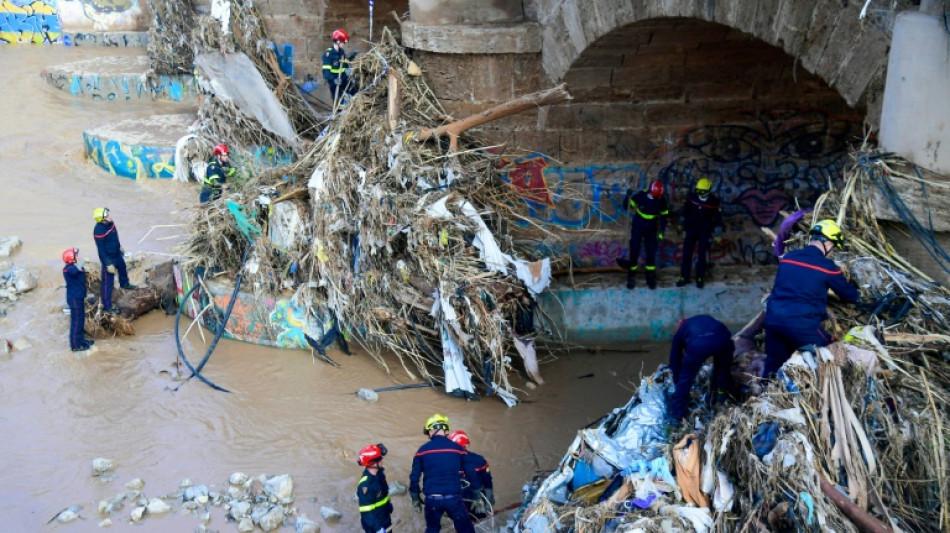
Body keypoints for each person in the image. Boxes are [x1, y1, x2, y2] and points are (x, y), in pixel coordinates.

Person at [762, 220, 860, 378]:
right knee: (831, 350)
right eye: (834, 247)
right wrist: (859, 295)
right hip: (802, 325)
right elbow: (849, 295)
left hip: (773, 320)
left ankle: (765, 389)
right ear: (828, 244)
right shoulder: (826, 266)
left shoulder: (788, 258)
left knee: (773, 364)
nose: (831, 251)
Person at [409, 414, 484, 533]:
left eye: (428, 432)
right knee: (465, 529)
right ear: (445, 430)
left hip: (432, 500)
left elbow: (414, 478)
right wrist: (477, 496)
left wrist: (415, 499)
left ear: (432, 430)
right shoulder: (458, 449)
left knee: (432, 529)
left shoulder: (421, 451)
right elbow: (471, 474)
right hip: (454, 500)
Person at [668, 314, 735, 422]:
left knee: (685, 380)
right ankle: (721, 398)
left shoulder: (679, 332)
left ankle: (677, 417)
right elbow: (725, 331)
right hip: (723, 339)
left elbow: (675, 361)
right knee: (723, 369)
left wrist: (677, 382)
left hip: (698, 345)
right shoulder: (703, 319)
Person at [617, 180, 669, 289]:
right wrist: (627, 197)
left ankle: (650, 277)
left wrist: (662, 231)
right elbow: (627, 206)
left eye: (658, 196)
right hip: (638, 226)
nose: (657, 198)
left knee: (651, 252)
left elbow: (664, 216)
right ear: (651, 192)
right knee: (634, 251)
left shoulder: (661, 200)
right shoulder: (641, 196)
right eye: (655, 196)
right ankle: (631, 277)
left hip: (651, 228)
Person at [676, 177, 723, 289]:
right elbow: (684, 212)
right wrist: (680, 224)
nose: (700, 194)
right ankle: (684, 277)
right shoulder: (692, 198)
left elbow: (718, 220)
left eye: (702, 192)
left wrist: (718, 234)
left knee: (702, 256)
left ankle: (700, 277)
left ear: (708, 191)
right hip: (691, 229)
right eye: (698, 191)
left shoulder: (713, 202)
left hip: (704, 232)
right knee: (686, 253)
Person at [93, 208, 136, 314]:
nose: (110, 216)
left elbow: (115, 236)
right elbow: (101, 251)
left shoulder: (110, 224)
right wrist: (108, 264)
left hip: (116, 253)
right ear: (102, 219)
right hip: (108, 258)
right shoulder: (98, 231)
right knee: (108, 283)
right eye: (107, 216)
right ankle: (107, 306)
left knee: (123, 268)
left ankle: (125, 284)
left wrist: (119, 246)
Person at [448, 430, 494, 520]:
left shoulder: (478, 461)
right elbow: (488, 481)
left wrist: (488, 500)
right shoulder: (479, 460)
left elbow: (487, 481)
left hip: (475, 497)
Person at [357, 443, 394, 533]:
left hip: (384, 518)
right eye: (380, 458)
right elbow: (366, 512)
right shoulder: (366, 485)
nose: (382, 459)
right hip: (374, 526)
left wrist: (388, 506)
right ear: (372, 463)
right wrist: (378, 529)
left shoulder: (379, 474)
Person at [62, 248, 94, 352]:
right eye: (77, 255)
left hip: (78, 297)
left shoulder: (74, 267)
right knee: (76, 321)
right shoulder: (68, 269)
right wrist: (82, 261)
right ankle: (75, 345)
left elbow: (79, 271)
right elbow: (74, 271)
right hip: (74, 298)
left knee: (80, 320)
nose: (79, 256)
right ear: (72, 258)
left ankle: (81, 340)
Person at [322, 28, 357, 106]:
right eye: (343, 42)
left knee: (355, 91)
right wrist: (334, 80)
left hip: (343, 79)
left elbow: (346, 63)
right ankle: (338, 113)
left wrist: (353, 56)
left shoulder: (341, 52)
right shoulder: (329, 54)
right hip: (334, 82)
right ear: (338, 41)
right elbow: (326, 72)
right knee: (339, 102)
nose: (344, 43)